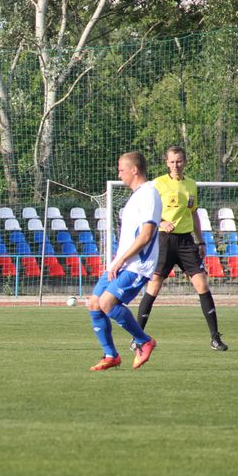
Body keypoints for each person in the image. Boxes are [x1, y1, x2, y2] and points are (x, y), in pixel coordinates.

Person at [135, 146, 228, 351]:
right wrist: (160, 222)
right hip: (164, 241)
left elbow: (193, 214)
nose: (175, 165)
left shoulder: (191, 185)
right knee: (154, 287)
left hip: (186, 242)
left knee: (202, 285)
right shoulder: (157, 184)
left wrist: (201, 241)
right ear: (166, 163)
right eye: (172, 162)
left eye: (179, 161)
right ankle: (138, 337)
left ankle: (215, 337)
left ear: (184, 162)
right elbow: (145, 211)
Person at [87, 152, 162, 371]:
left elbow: (146, 234)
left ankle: (144, 341)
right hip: (123, 262)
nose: (118, 173)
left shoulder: (149, 193)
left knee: (108, 303)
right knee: (94, 303)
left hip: (138, 264)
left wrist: (121, 259)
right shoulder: (137, 195)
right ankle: (111, 355)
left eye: (121, 169)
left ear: (134, 170)